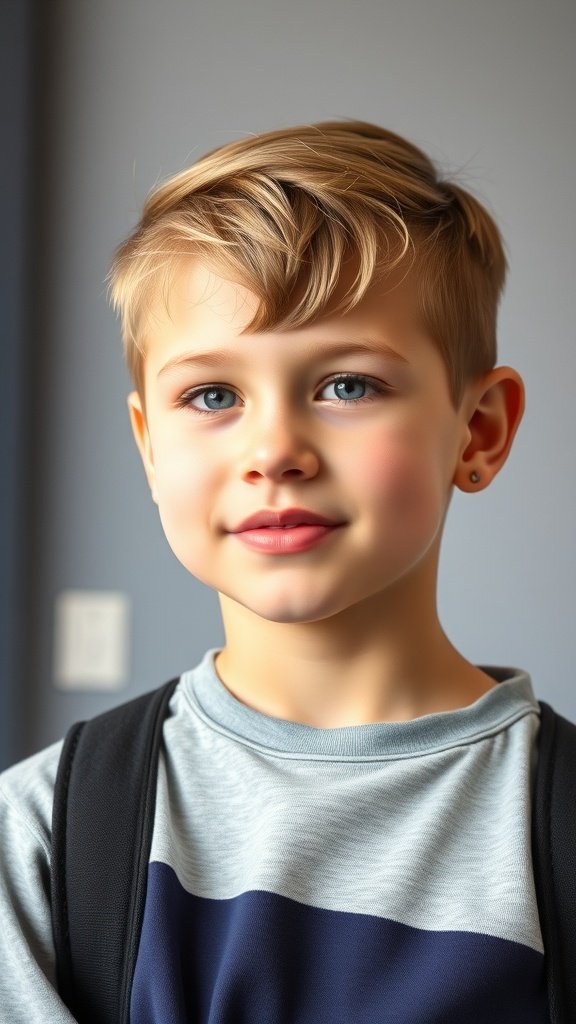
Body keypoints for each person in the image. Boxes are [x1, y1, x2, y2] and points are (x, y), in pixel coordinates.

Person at [0, 120, 551, 1022]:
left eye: (348, 385)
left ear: (479, 431)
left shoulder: (555, 834)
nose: (275, 451)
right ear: (149, 446)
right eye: (212, 396)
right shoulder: (42, 843)